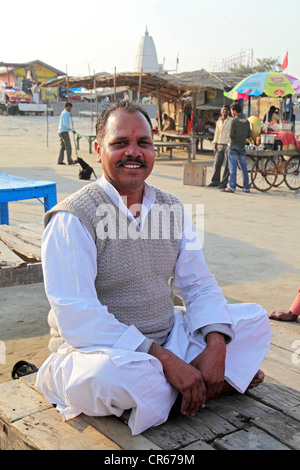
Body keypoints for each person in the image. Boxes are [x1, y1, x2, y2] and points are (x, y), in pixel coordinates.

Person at [36, 100, 271, 436]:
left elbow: (199, 285)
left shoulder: (171, 208)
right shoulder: (73, 218)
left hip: (168, 335)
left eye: (143, 143)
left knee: (254, 321)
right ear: (98, 149)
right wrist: (163, 358)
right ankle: (200, 385)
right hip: (101, 352)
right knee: (111, 378)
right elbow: (78, 318)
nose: (134, 152)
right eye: (120, 143)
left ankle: (180, 389)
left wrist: (217, 346)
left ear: (153, 149)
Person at [222, 102, 252, 193]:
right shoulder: (246, 121)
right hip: (242, 147)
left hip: (233, 146)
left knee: (233, 167)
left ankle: (232, 187)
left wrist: (228, 137)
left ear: (234, 111)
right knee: (244, 168)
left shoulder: (234, 121)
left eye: (231, 110)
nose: (231, 112)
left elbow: (231, 135)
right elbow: (249, 135)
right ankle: (246, 187)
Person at [208, 105, 232, 189]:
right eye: (223, 110)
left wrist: (230, 144)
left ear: (229, 112)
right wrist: (214, 145)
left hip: (227, 145)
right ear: (221, 111)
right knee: (217, 164)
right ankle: (215, 181)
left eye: (226, 110)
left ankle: (223, 183)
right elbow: (216, 134)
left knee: (227, 166)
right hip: (219, 144)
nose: (224, 111)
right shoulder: (218, 121)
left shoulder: (231, 121)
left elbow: (232, 134)